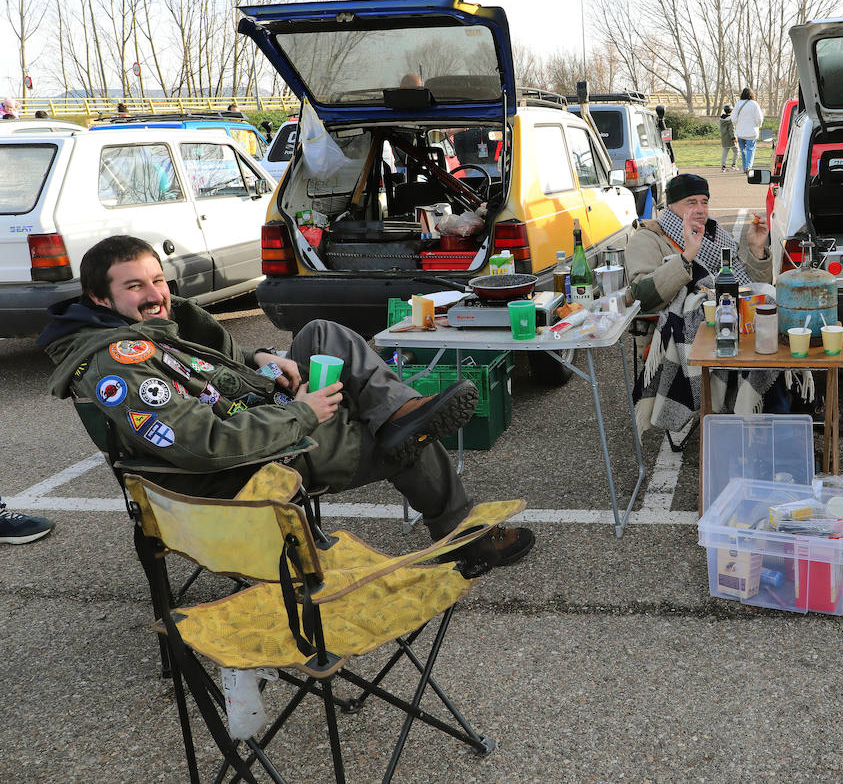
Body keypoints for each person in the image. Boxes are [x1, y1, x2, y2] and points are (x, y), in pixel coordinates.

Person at [38, 235, 533, 577]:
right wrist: (302, 414)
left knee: (321, 334)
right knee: (404, 440)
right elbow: (205, 446)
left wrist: (260, 357)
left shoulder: (147, 323)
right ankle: (462, 534)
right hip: (252, 466)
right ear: (99, 299)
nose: (155, 295)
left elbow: (212, 364)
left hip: (256, 409)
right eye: (134, 286)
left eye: (157, 279)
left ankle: (398, 409)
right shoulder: (118, 364)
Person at [627, 173, 778, 447]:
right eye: (690, 202)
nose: (700, 209)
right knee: (758, 347)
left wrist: (756, 250)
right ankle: (768, 432)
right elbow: (643, 296)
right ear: (670, 205)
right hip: (678, 337)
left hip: (728, 325)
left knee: (770, 329)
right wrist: (687, 256)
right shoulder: (647, 238)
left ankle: (780, 426)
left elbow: (747, 286)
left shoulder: (717, 234)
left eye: (704, 201)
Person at [730, 88, 764, 171]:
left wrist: (737, 125)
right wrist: (758, 126)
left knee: (743, 151)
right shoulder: (754, 104)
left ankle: (745, 167)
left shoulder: (738, 104)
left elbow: (733, 118)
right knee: (750, 150)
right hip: (751, 132)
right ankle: (748, 167)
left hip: (740, 132)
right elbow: (759, 119)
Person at [719, 105, 738, 170]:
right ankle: (734, 165)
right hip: (730, 138)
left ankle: (723, 166)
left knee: (725, 152)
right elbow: (731, 129)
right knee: (736, 151)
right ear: (731, 111)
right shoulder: (730, 119)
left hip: (724, 137)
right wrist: (734, 138)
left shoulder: (721, 118)